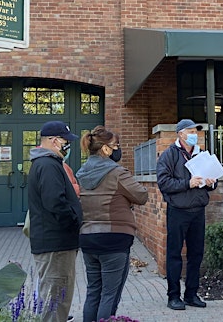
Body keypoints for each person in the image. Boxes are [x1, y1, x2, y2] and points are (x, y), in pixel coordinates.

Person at [76, 126, 149, 322]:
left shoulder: (81, 173)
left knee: (93, 292)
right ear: (106, 149)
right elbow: (141, 195)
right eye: (116, 145)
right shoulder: (117, 173)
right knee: (110, 294)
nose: (118, 149)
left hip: (88, 237)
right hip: (114, 238)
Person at [156, 118, 217, 310]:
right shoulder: (169, 155)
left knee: (196, 254)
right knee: (174, 254)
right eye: (190, 131)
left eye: (196, 131)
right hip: (178, 212)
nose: (195, 135)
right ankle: (173, 296)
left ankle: (191, 294)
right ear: (180, 134)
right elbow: (164, 183)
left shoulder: (202, 154)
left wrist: (211, 183)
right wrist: (187, 183)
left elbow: (213, 182)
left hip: (198, 211)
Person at [27, 120, 83, 322]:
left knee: (55, 298)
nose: (68, 145)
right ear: (54, 141)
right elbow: (55, 203)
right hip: (56, 243)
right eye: (65, 140)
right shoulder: (48, 165)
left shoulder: (47, 163)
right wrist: (74, 221)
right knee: (55, 301)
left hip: (55, 242)